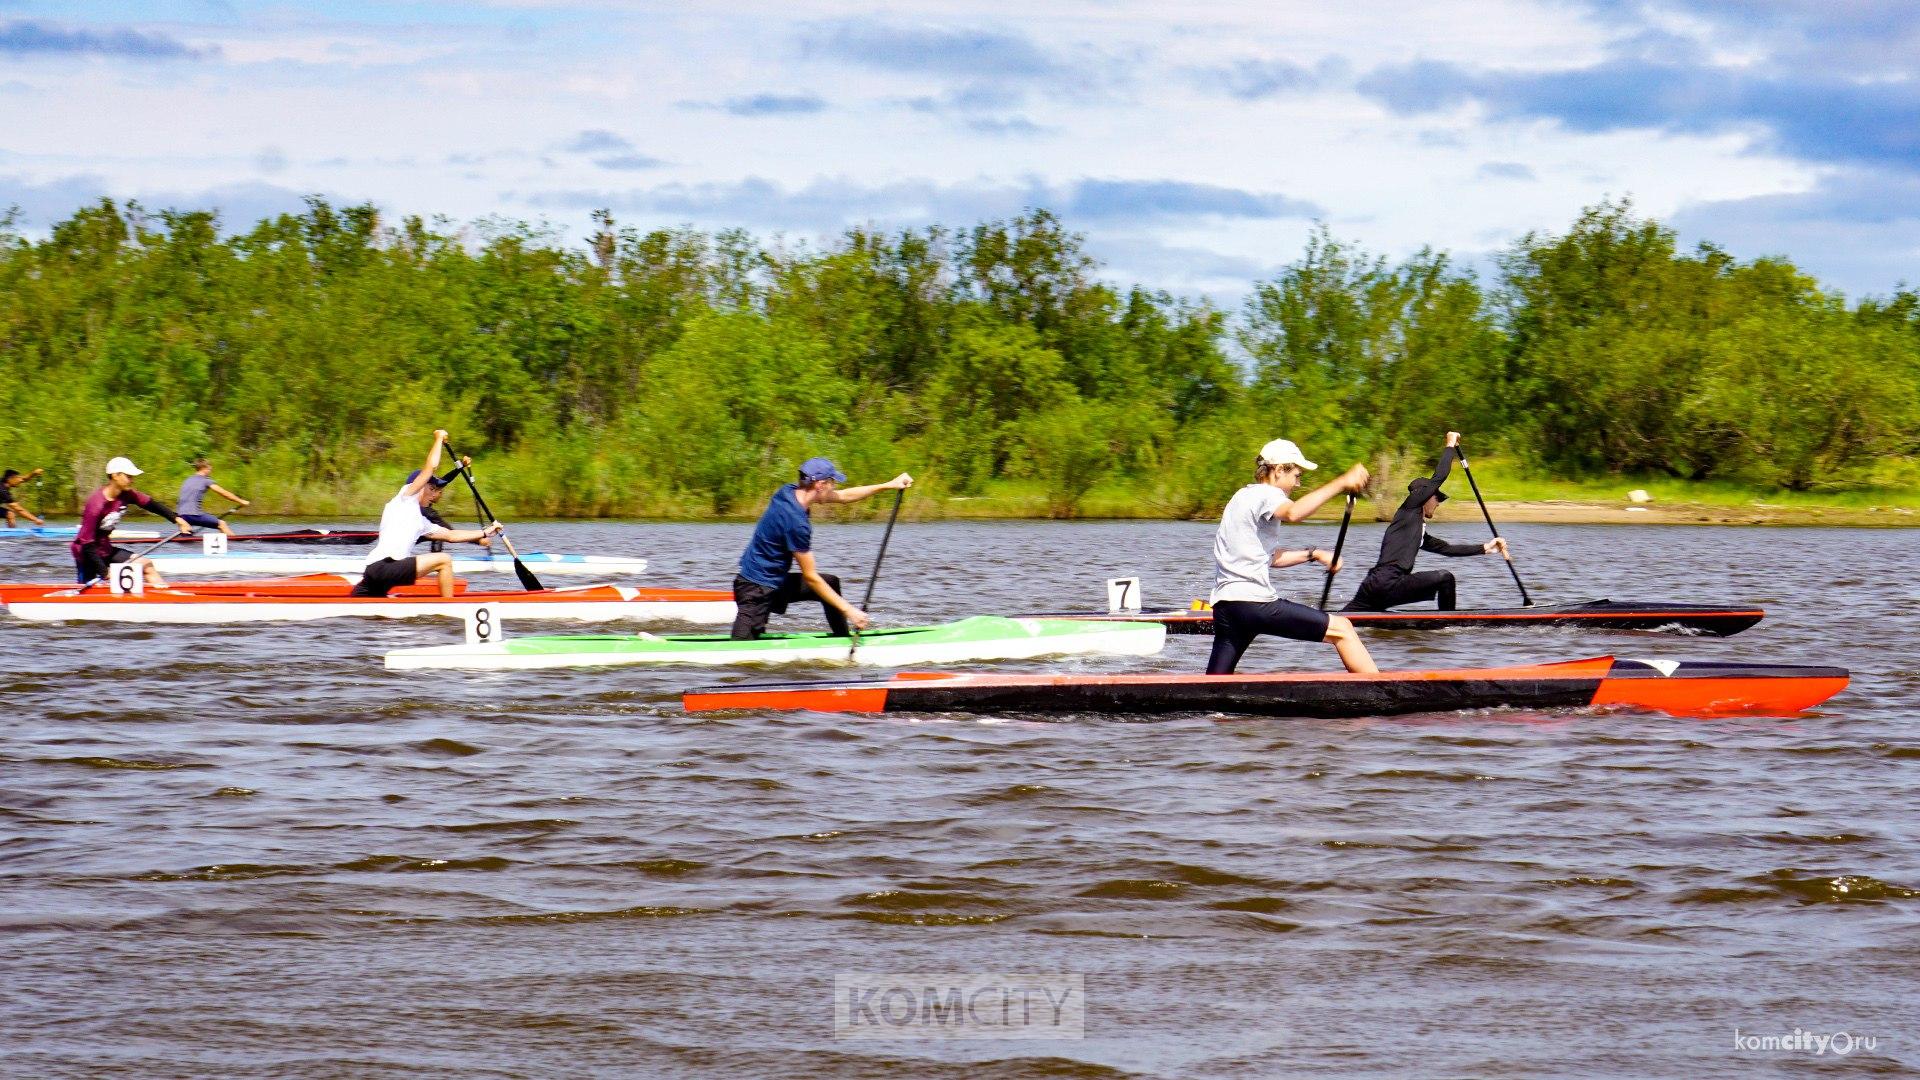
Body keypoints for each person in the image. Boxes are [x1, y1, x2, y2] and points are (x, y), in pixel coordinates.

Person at [1206, 438, 1377, 675]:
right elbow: (1294, 512)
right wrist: (1342, 482)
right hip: (1254, 603)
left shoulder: (1241, 497)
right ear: (1278, 471)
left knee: (1216, 682)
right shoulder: (1267, 494)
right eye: (1297, 475)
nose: (1297, 483)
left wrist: (1313, 554)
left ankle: (1204, 708)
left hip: (1227, 607)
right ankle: (1383, 693)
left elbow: (1270, 557)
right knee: (1343, 629)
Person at [731, 457, 913, 640]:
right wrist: (851, 611)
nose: (834, 488)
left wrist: (889, 485)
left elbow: (844, 496)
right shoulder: (796, 523)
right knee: (738, 653)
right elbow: (811, 577)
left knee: (830, 582)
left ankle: (842, 639)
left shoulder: (788, 492)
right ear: (820, 485)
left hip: (774, 583)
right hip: (755, 591)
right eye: (832, 483)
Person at [1343, 431, 1509, 613]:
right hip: (1386, 581)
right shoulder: (1411, 507)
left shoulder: (1416, 529)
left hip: (1374, 585)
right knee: (1445, 578)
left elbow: (1448, 549)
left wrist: (1486, 548)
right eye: (1437, 498)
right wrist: (1450, 445)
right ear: (1426, 496)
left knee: (1338, 620)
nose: (1438, 503)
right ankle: (1449, 625)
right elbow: (1439, 476)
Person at [351, 431, 501, 598]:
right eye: (431, 488)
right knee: (444, 560)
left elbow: (451, 535)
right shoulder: (405, 498)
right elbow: (430, 468)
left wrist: (485, 532)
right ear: (419, 486)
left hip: (380, 574)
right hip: (383, 566)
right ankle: (450, 610)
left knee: (361, 603)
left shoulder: (422, 522)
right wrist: (438, 439)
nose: (434, 494)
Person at [71, 457, 193, 587]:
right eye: (128, 476)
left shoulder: (127, 494)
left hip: (106, 550)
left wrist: (177, 519)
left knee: (146, 565)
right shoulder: (96, 504)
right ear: (115, 476)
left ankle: (167, 598)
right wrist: (105, 572)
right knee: (88, 590)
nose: (132, 480)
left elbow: (151, 505)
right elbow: (86, 543)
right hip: (86, 555)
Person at [418, 457, 494, 554]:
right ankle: (436, 562)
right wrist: (479, 540)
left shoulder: (423, 498)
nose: (441, 495)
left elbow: (446, 479)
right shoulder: (428, 513)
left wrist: (462, 465)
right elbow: (451, 534)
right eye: (440, 492)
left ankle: (436, 558)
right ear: (431, 491)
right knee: (441, 532)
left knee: (438, 532)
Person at [176, 459, 250, 537]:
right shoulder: (206, 481)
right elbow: (224, 493)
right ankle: (236, 543)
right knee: (222, 524)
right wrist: (241, 501)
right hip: (194, 514)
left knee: (187, 536)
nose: (211, 471)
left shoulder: (187, 480)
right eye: (210, 469)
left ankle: (186, 538)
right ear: (204, 468)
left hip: (180, 516)